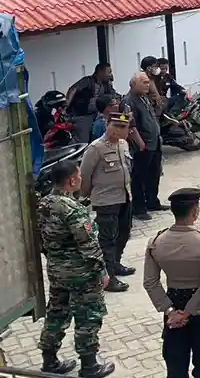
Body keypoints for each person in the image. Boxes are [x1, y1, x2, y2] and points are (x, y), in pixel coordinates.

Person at [37, 159, 116, 377]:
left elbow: (42, 241)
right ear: (72, 180)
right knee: (88, 316)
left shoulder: (44, 204)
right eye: (79, 175)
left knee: (56, 313)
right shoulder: (74, 210)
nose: (81, 178)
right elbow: (89, 244)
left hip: (56, 270)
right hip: (81, 273)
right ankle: (90, 365)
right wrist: (102, 272)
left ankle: (49, 360)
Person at [143, 188, 200, 378]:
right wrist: (189, 311)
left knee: (176, 363)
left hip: (173, 305)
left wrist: (171, 312)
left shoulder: (156, 241)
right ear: (195, 212)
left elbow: (150, 282)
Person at [79, 110, 135, 292]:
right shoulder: (96, 148)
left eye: (123, 127)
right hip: (105, 201)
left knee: (124, 233)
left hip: (124, 197)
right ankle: (108, 277)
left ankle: (116, 264)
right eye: (115, 126)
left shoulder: (123, 145)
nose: (119, 131)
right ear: (107, 126)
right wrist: (86, 195)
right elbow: (84, 175)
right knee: (107, 240)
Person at [124, 71, 163, 221]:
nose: (148, 85)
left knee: (153, 174)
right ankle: (139, 208)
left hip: (155, 143)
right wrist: (140, 143)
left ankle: (152, 201)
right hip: (142, 146)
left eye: (148, 82)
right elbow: (130, 125)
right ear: (134, 84)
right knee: (139, 177)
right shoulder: (129, 101)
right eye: (144, 83)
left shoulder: (144, 98)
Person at [66, 63, 114, 143]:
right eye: (108, 72)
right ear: (100, 72)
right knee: (83, 141)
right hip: (83, 115)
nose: (110, 75)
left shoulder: (105, 84)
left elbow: (113, 94)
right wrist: (65, 106)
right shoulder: (87, 81)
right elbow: (73, 89)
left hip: (98, 114)